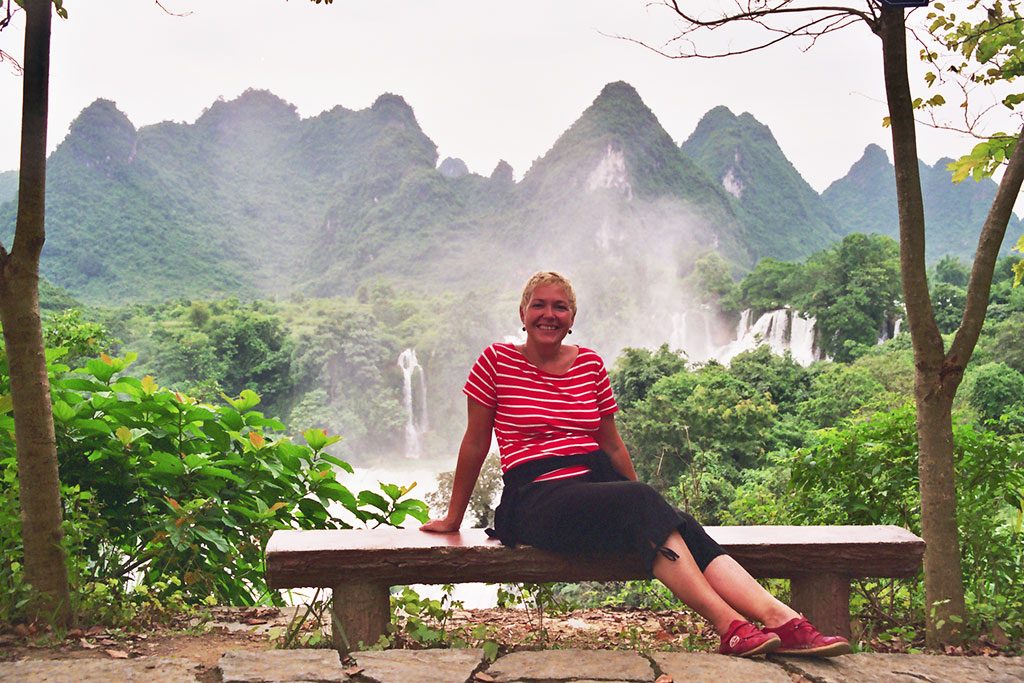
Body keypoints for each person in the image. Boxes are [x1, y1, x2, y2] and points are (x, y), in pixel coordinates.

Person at [421, 271, 850, 658]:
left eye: (560, 306)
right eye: (539, 304)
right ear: (522, 312)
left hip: (592, 485)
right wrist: (453, 517)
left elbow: (611, 446)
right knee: (644, 505)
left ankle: (781, 620)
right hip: (533, 499)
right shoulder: (496, 361)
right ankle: (730, 627)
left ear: (572, 317)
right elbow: (476, 442)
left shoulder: (589, 364)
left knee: (682, 527)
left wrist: (648, 509)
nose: (548, 314)